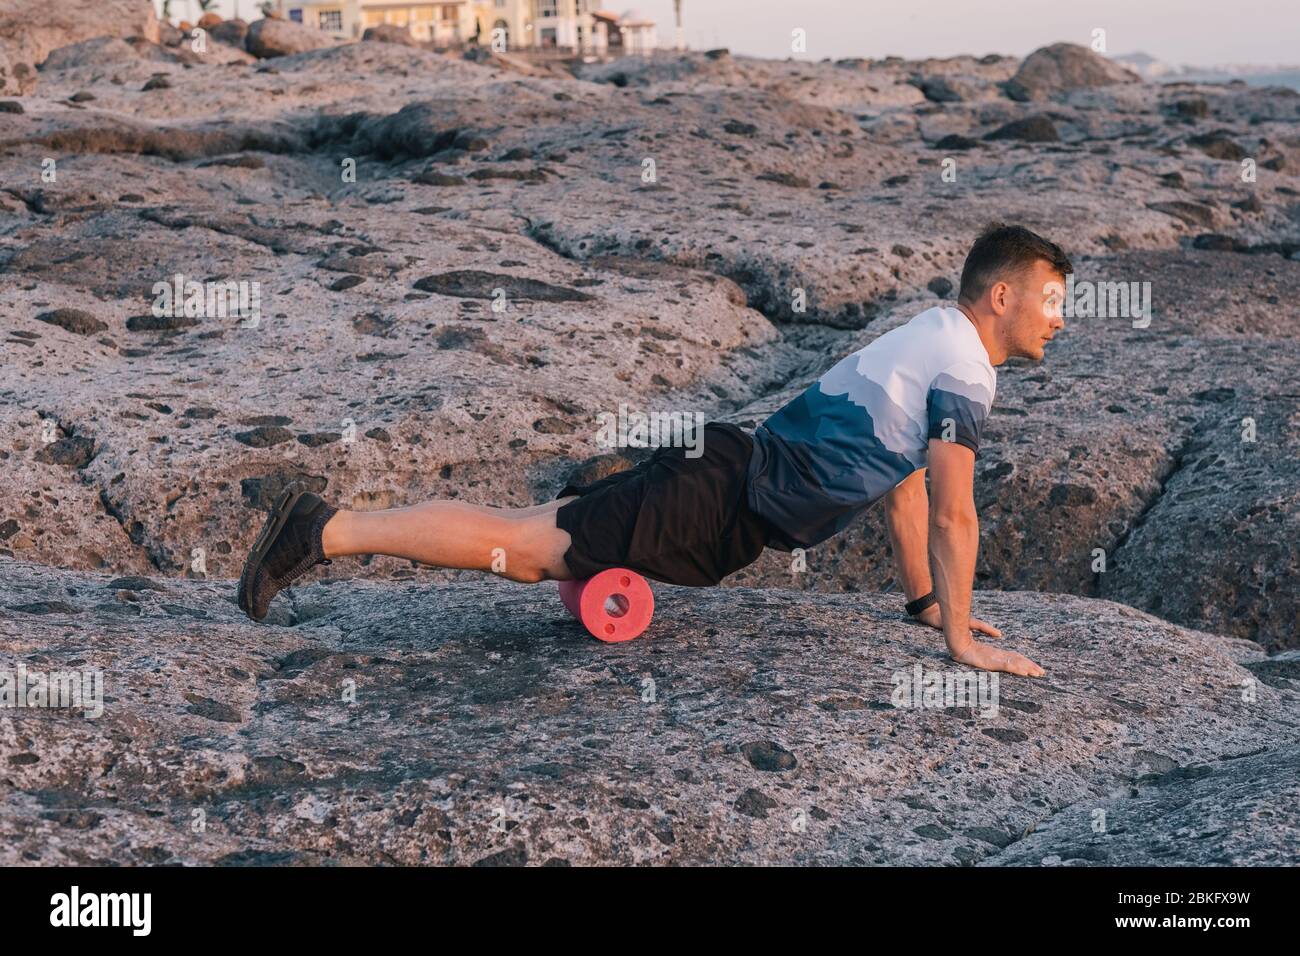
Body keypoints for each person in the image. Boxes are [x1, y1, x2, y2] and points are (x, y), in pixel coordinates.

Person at [238, 223, 1070, 676]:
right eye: (1051, 300)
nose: (1059, 317)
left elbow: (905, 486)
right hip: (718, 502)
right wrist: (962, 642)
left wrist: (929, 605)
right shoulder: (964, 366)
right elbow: (956, 512)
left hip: (723, 474)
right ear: (1002, 296)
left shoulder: (931, 336)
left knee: (526, 526)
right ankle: (326, 530)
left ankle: (330, 526)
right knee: (525, 550)